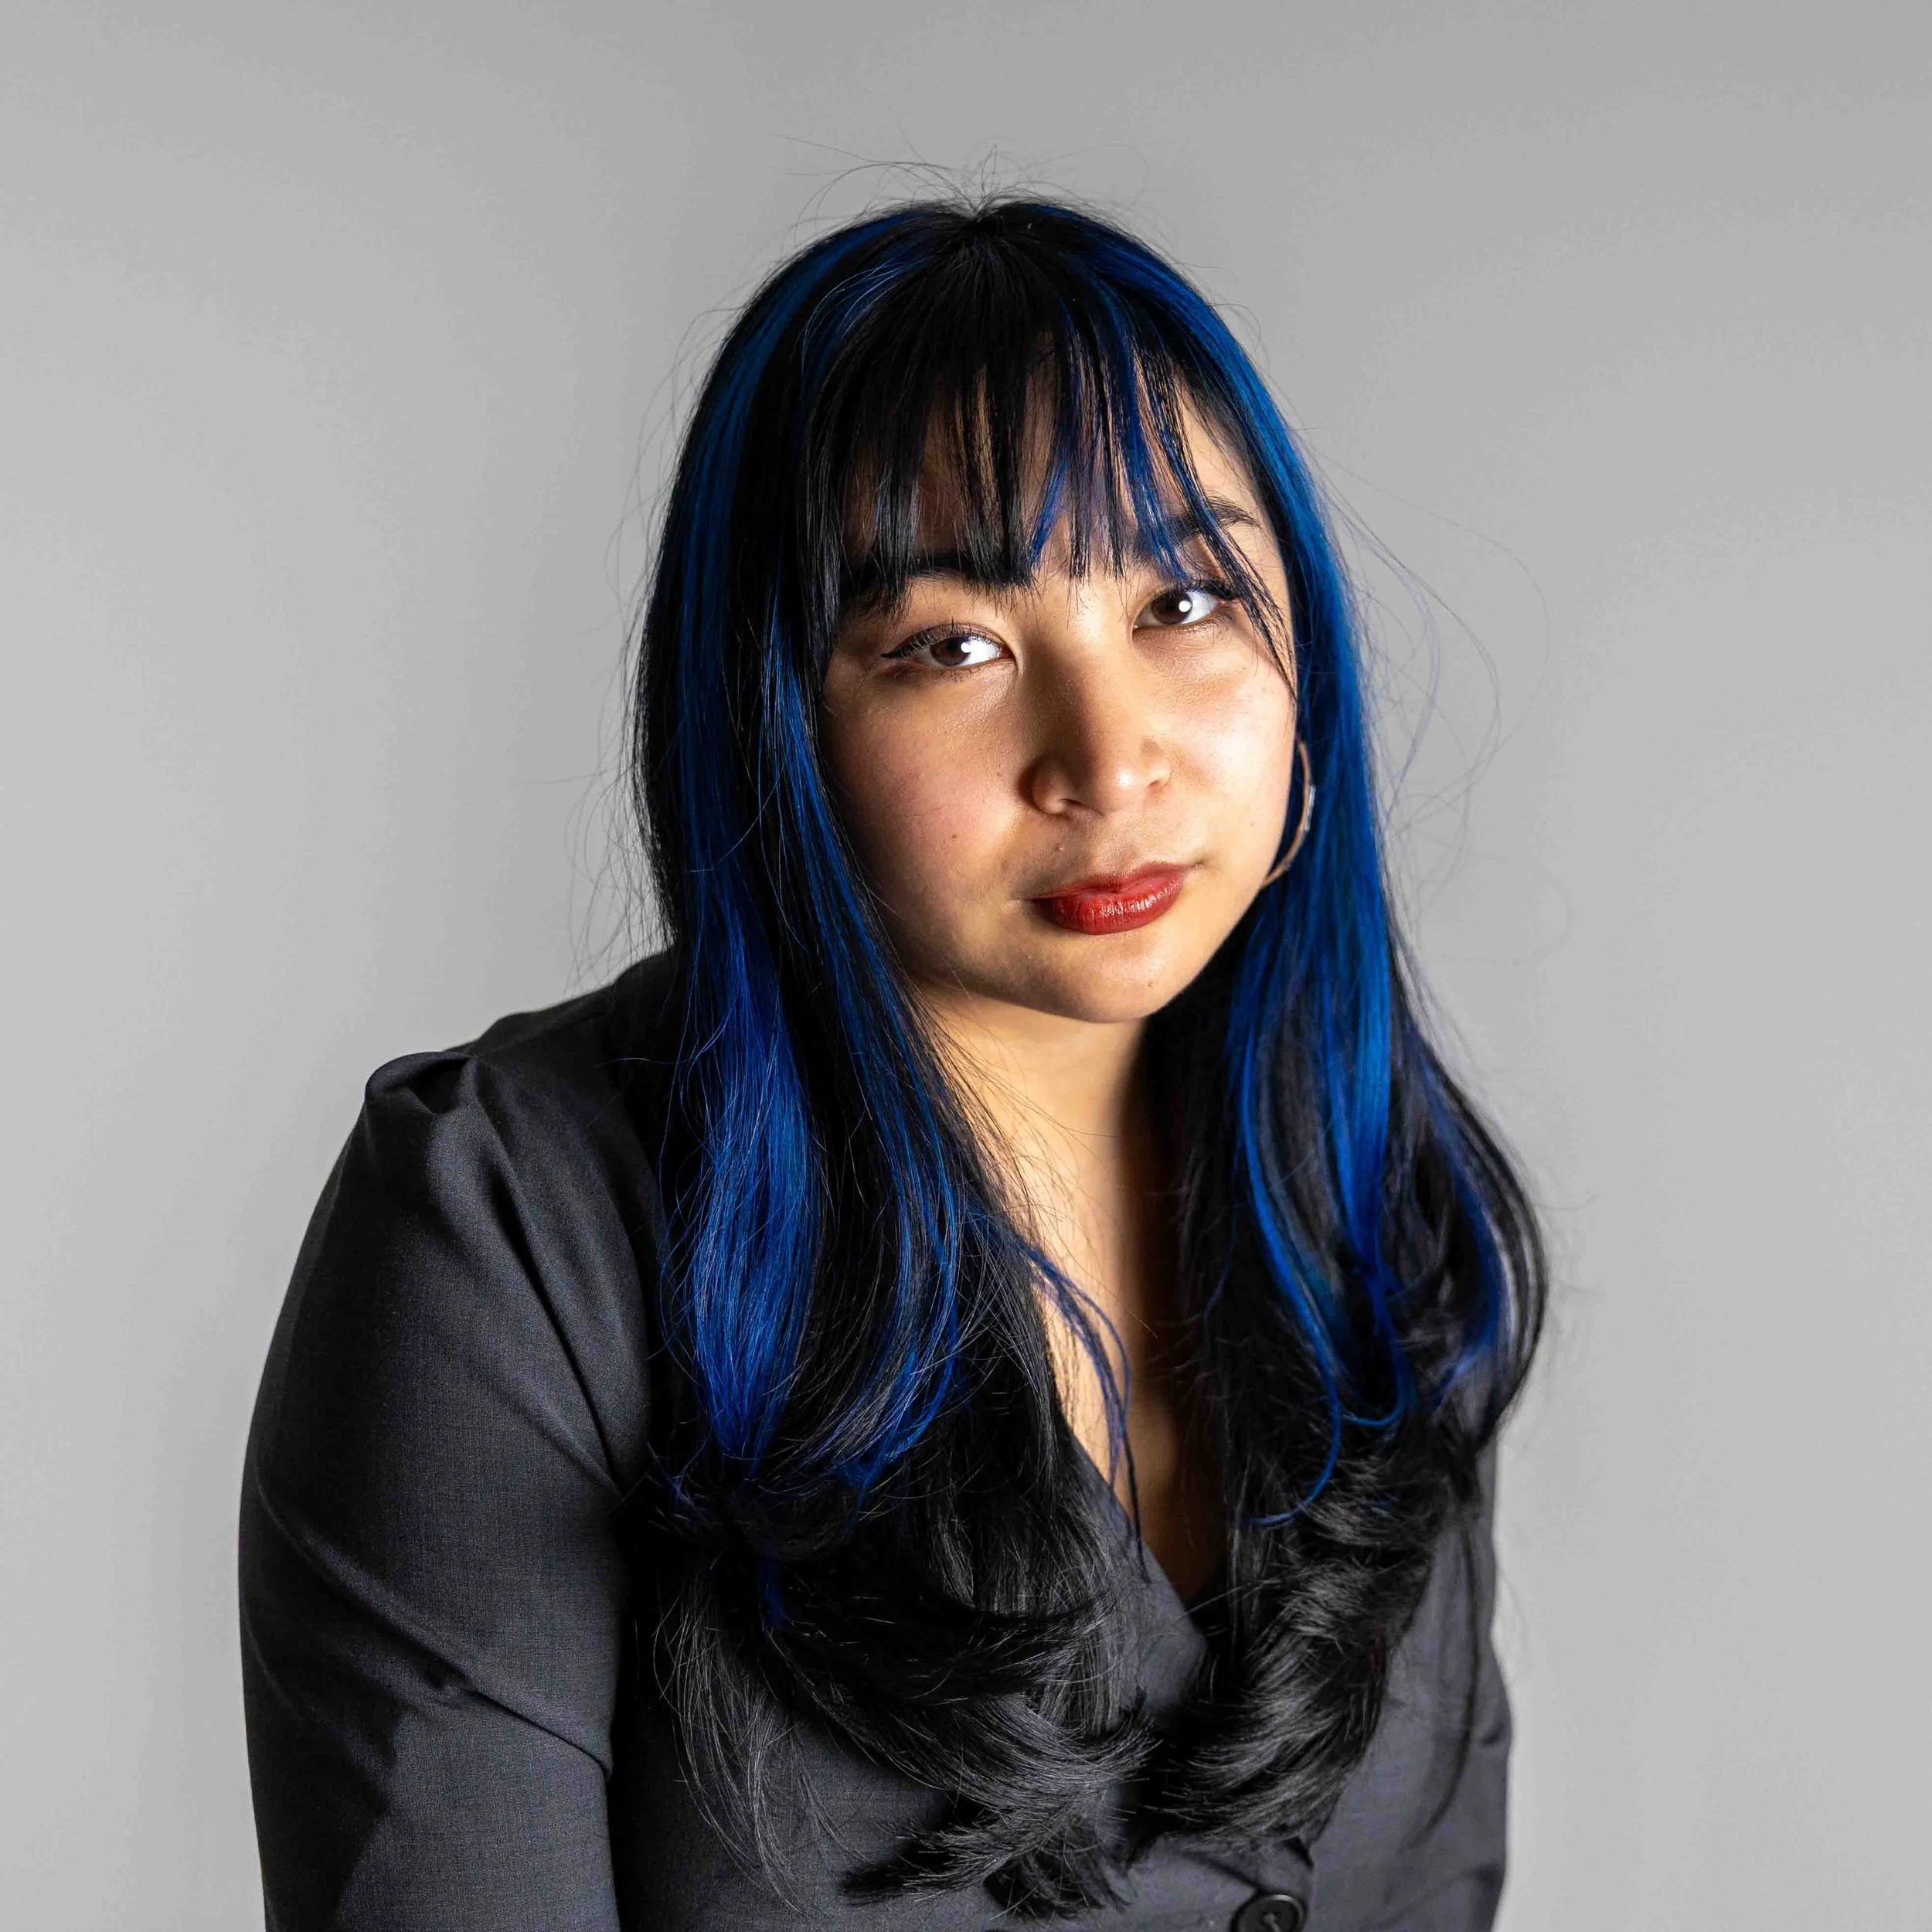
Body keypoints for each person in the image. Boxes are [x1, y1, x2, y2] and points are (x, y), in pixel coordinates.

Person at [238, 196, 1546, 1932]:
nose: (1107, 755)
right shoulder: (510, 1232)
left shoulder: (1376, 1209)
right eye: (951, 647)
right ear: (778, 719)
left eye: (1182, 597)